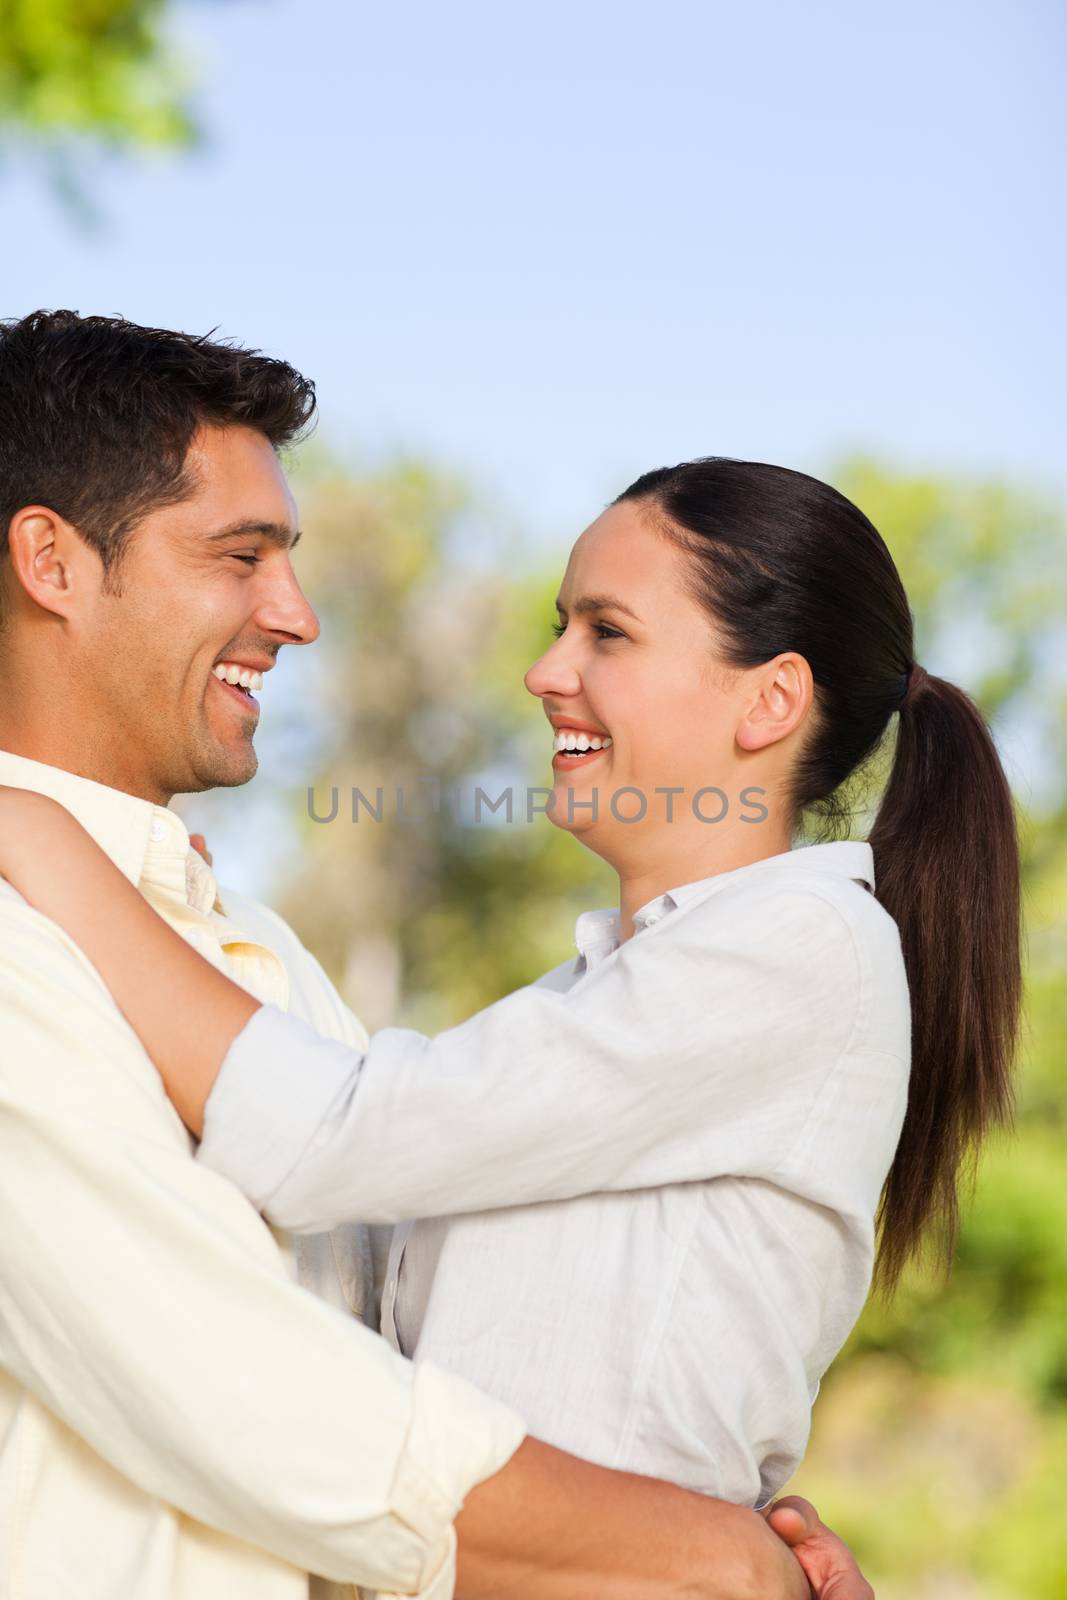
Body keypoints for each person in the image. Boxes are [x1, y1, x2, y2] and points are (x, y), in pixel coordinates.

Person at [0, 310, 872, 1600]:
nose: (295, 615)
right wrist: (700, 1552)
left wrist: (692, 1494)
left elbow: (407, 1329)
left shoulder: (259, 959)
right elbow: (244, 1396)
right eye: (240, 555)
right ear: (51, 562)